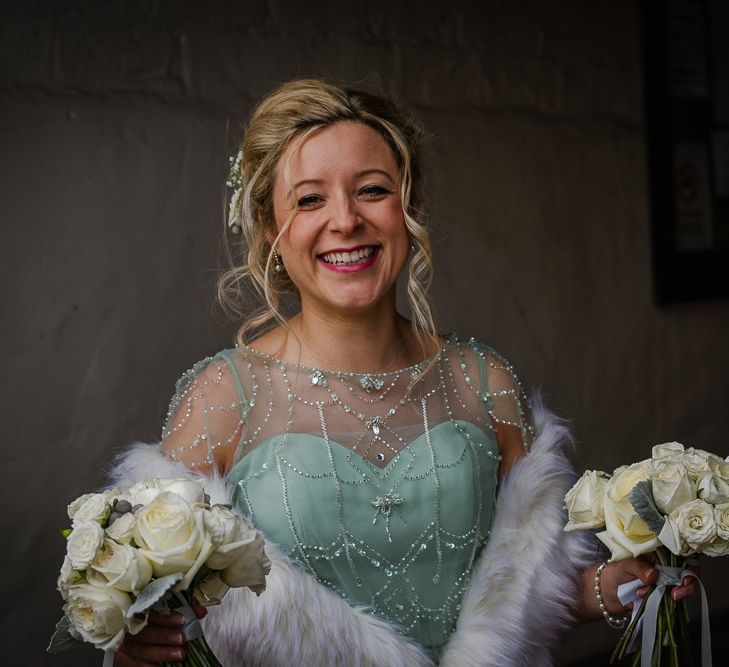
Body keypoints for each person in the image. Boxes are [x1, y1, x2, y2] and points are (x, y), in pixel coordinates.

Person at [108, 79, 694, 666]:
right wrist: (139, 643)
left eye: (371, 190)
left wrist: (620, 584)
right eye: (310, 199)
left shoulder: (483, 381)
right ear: (270, 225)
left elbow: (528, 597)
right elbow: (163, 611)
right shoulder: (222, 397)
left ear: (407, 208)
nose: (345, 220)